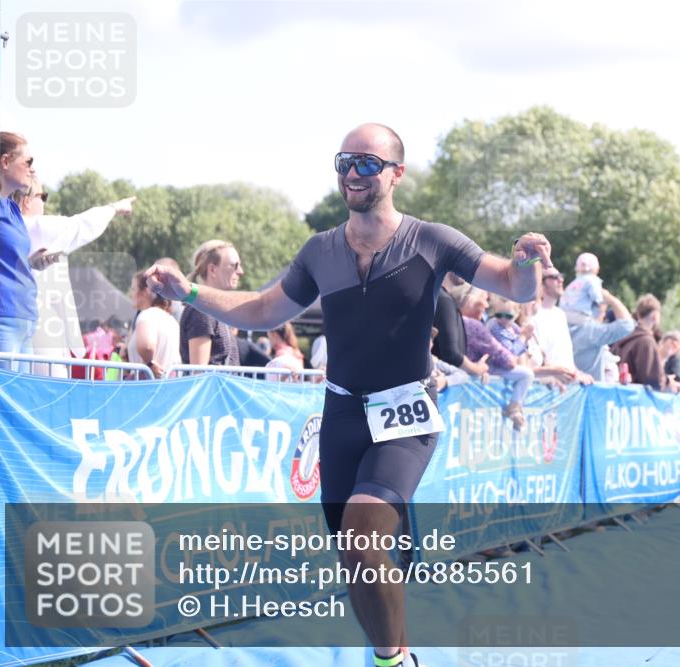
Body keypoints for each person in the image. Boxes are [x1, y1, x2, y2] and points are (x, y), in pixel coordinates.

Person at [145, 123, 551, 667]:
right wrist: (189, 291)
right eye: (344, 162)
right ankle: (393, 653)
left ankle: (393, 661)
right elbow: (263, 310)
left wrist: (527, 262)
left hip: (405, 415)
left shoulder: (433, 240)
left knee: (362, 537)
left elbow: (513, 284)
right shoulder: (320, 250)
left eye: (366, 163)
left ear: (396, 174)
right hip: (341, 415)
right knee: (355, 557)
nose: (351, 174)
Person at [13, 176, 136, 377]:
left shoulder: (3, 229)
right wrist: (114, 208)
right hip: (43, 330)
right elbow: (80, 226)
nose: (45, 202)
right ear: (27, 201)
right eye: (42, 196)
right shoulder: (37, 227)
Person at [457, 285, 535, 430]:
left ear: (517, 314)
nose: (503, 319)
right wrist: (523, 338)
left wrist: (524, 339)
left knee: (527, 373)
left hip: (494, 367)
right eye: (499, 315)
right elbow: (509, 357)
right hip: (493, 367)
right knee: (527, 374)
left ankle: (516, 406)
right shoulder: (496, 327)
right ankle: (514, 407)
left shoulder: (514, 328)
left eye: (508, 316)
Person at [0, 132, 39, 370]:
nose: (32, 169)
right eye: (28, 162)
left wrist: (34, 261)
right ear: (4, 162)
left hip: (25, 319)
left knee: (20, 398)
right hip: (1, 318)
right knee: (1, 403)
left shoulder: (12, 208)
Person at [179, 240, 243, 367]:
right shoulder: (201, 309)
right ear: (212, 270)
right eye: (234, 265)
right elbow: (199, 373)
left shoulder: (211, 308)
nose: (240, 271)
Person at [532, 267, 594, 383]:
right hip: (546, 385)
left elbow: (564, 355)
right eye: (554, 277)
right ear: (541, 283)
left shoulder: (560, 314)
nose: (560, 280)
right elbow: (538, 357)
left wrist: (577, 372)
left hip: (567, 385)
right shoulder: (533, 314)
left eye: (561, 276)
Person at [566, 287, 635, 379]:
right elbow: (627, 325)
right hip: (588, 390)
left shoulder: (563, 324)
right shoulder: (590, 331)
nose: (603, 317)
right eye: (602, 312)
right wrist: (610, 299)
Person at [126, 270, 180, 378]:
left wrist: (149, 364)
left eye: (133, 289)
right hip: (169, 384)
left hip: (146, 385)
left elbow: (146, 346)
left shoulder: (146, 315)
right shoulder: (170, 319)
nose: (130, 294)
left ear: (145, 292)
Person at [610, 294, 666, 390]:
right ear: (655, 316)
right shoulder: (647, 341)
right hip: (639, 401)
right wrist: (667, 382)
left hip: (620, 398)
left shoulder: (622, 337)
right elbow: (652, 380)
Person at [560, 252, 605, 321]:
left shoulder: (573, 283)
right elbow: (599, 301)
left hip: (563, 317)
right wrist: (601, 315)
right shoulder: (593, 280)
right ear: (596, 268)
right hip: (582, 318)